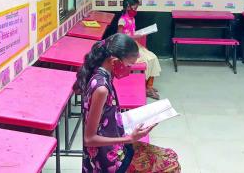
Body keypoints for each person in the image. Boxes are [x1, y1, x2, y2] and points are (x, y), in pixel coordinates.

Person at [73, 33, 181, 173]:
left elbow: (104, 117)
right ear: (114, 61)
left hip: (116, 146)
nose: (129, 70)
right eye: (129, 65)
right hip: (107, 160)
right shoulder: (101, 88)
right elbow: (89, 139)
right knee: (171, 164)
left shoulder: (102, 74)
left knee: (171, 155)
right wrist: (129, 138)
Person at [117, 0, 162, 100]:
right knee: (146, 60)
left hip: (135, 45)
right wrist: (134, 37)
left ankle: (149, 86)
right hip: (127, 48)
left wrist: (138, 35)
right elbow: (119, 36)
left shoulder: (132, 19)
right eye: (134, 8)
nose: (135, 10)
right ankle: (144, 88)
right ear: (128, 6)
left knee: (153, 57)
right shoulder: (122, 20)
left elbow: (131, 32)